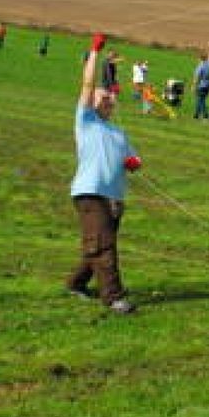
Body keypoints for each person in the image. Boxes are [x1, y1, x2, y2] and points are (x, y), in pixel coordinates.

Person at [68, 33, 140, 314]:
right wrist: (94, 52)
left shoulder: (118, 131)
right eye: (103, 95)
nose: (108, 97)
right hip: (89, 192)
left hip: (114, 198)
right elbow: (88, 84)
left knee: (97, 244)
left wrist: (133, 162)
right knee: (104, 245)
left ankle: (76, 283)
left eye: (110, 96)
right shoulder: (85, 121)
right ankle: (113, 297)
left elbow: (132, 157)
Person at [192, 52, 209, 119]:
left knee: (201, 100)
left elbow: (197, 78)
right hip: (208, 85)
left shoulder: (200, 67)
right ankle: (196, 114)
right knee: (199, 99)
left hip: (201, 86)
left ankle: (205, 115)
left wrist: (193, 86)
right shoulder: (208, 65)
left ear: (199, 59)